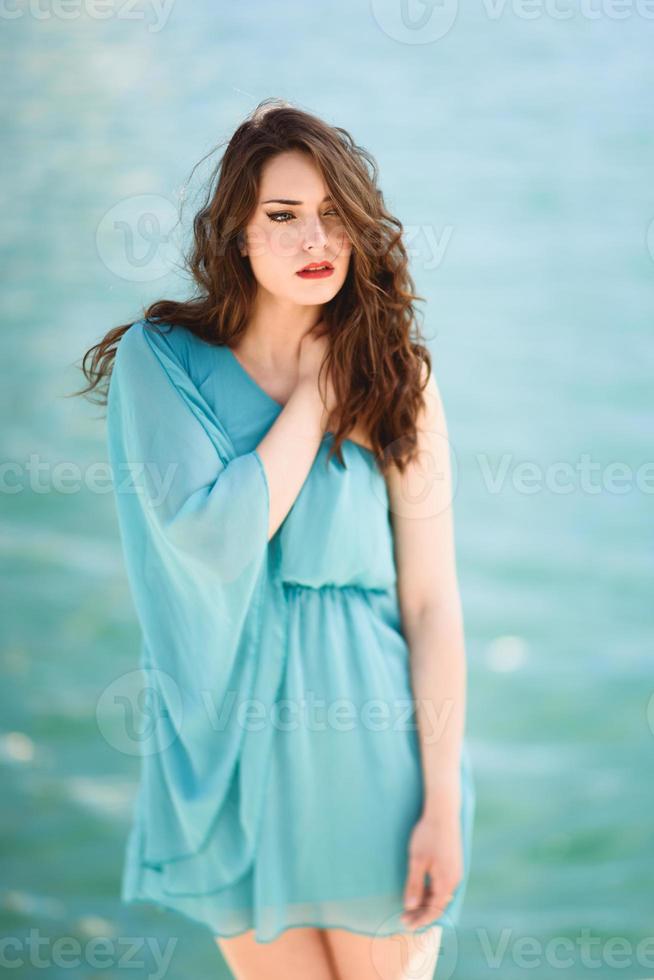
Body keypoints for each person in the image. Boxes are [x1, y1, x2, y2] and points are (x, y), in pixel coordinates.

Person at [76, 98, 475, 980]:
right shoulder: (163, 364)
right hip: (224, 751)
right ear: (239, 236)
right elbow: (219, 540)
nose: (312, 239)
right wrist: (320, 395)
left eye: (332, 213)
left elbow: (432, 602)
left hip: (369, 742)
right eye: (283, 216)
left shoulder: (400, 377)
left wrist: (441, 799)